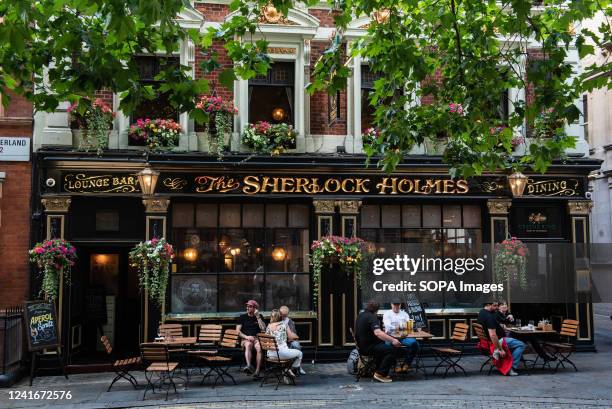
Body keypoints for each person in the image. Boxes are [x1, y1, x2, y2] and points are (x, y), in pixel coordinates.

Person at [354, 300, 404, 383]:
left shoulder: (361, 315)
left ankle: (378, 370)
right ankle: (380, 374)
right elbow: (378, 333)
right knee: (392, 350)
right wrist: (393, 340)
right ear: (377, 310)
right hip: (368, 347)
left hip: (362, 347)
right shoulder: (372, 317)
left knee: (384, 346)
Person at [478, 302, 525, 376]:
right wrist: (500, 349)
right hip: (500, 341)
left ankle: (510, 361)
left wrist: (499, 326)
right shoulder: (489, 317)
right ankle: (511, 367)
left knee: (514, 337)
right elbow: (493, 335)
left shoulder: (482, 312)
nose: (497, 308)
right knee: (521, 344)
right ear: (488, 305)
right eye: (495, 306)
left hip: (490, 340)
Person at [266, 309, 303, 381]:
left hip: (270, 354)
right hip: (281, 353)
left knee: (287, 353)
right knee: (299, 354)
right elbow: (291, 337)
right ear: (280, 316)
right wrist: (296, 336)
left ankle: (286, 371)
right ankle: (289, 370)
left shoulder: (268, 327)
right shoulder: (284, 325)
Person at [382, 302, 419, 372]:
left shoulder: (404, 314)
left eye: (398, 305)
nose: (396, 306)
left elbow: (409, 325)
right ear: (391, 305)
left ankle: (407, 363)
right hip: (391, 337)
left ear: (400, 305)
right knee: (388, 346)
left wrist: (402, 328)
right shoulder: (387, 314)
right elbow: (388, 327)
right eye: (394, 305)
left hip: (403, 337)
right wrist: (400, 327)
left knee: (414, 344)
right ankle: (395, 364)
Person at [237, 300, 267, 377]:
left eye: (250, 306)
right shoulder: (242, 317)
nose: (247, 308)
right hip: (246, 339)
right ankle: (249, 366)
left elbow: (263, 329)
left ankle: (257, 371)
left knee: (259, 347)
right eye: (247, 306)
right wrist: (246, 337)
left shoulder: (259, 316)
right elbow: (238, 331)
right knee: (248, 344)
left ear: (255, 308)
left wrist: (258, 317)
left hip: (257, 339)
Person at [279, 305, 306, 375]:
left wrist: (290, 337)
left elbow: (293, 336)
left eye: (285, 315)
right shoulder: (276, 320)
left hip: (289, 341)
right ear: (279, 313)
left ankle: (298, 366)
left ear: (287, 314)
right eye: (282, 315)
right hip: (280, 343)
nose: (283, 317)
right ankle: (290, 368)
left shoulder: (289, 321)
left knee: (296, 344)